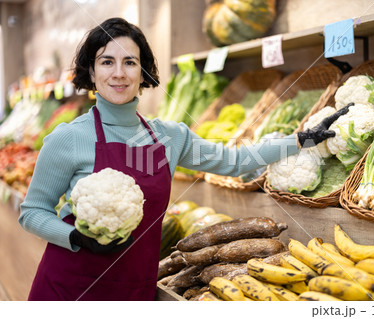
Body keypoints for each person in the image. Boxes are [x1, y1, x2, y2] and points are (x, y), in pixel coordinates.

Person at [19, 17, 348, 301]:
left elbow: (235, 160)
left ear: (143, 71)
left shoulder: (169, 136)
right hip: (70, 288)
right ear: (90, 72)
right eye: (107, 62)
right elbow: (32, 211)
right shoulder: (68, 137)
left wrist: (301, 139)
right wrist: (75, 237)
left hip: (135, 290)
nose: (118, 73)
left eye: (130, 62)